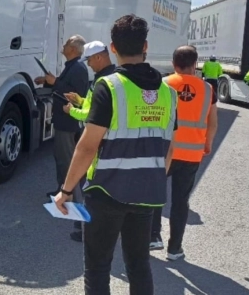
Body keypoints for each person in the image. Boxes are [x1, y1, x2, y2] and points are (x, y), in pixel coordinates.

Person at [53, 15, 178, 295]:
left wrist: (66, 190)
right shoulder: (169, 93)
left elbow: (87, 146)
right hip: (147, 192)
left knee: (98, 267)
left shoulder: (108, 86)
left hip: (106, 191)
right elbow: (170, 147)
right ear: (145, 46)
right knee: (139, 264)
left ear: (113, 48)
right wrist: (155, 178)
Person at [150, 45, 218, 261]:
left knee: (155, 193)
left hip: (165, 150)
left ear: (173, 64)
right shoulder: (208, 89)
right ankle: (174, 249)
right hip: (192, 154)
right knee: (181, 201)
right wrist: (208, 143)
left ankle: (154, 237)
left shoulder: (163, 84)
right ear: (195, 64)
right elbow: (212, 122)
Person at [62, 40, 116, 243]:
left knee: (90, 191)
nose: (89, 65)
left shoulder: (101, 81)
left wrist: (71, 110)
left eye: (90, 60)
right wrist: (81, 100)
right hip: (108, 142)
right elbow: (94, 106)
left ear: (99, 57)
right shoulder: (113, 78)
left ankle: (85, 231)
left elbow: (90, 115)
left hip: (96, 143)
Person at [34, 35, 89, 201]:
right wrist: (48, 81)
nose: (63, 46)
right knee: (62, 157)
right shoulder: (73, 66)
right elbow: (64, 87)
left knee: (66, 159)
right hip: (64, 120)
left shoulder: (78, 68)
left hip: (68, 122)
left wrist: (55, 82)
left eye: (66, 44)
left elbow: (77, 95)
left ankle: (68, 195)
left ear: (73, 49)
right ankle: (64, 191)